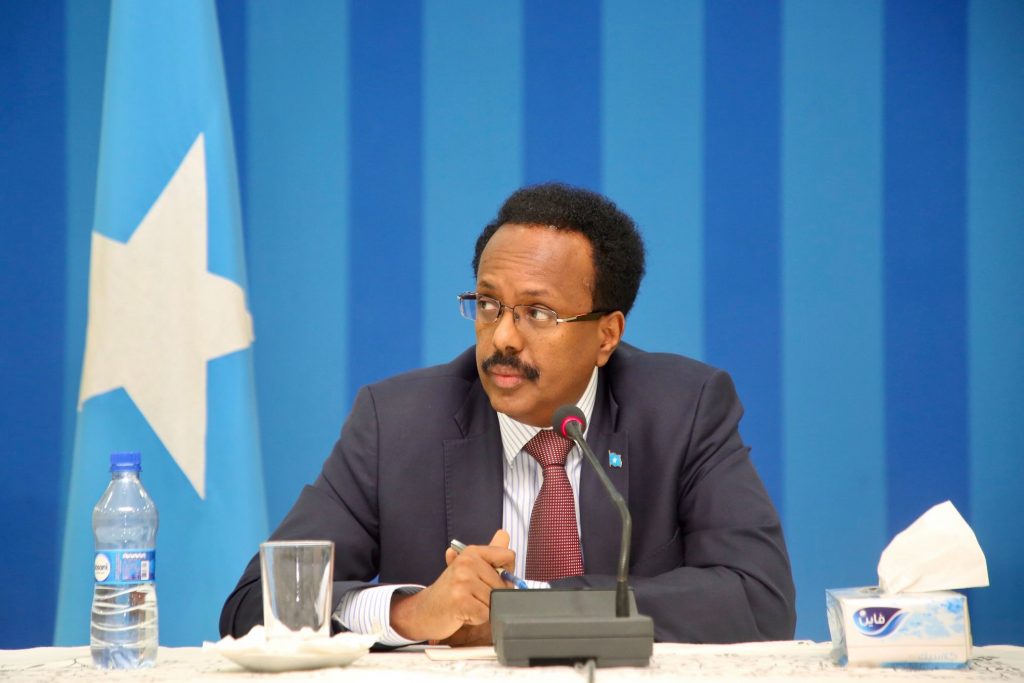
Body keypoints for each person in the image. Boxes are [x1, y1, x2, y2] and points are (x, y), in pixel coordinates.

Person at [220, 182, 796, 645]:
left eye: (538, 313)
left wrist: (529, 611)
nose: (502, 338)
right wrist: (412, 613)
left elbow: (760, 599)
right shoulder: (395, 423)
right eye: (489, 304)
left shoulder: (684, 409)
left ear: (606, 335)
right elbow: (256, 605)